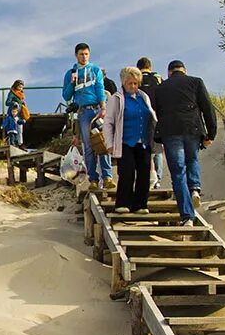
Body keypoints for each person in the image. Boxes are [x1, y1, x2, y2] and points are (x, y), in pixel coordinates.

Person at [151, 59, 217, 226]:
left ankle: (187, 216)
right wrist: (211, 133)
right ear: (184, 70)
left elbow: (155, 111)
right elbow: (207, 108)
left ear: (169, 73)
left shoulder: (160, 88)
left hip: (171, 131)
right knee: (192, 159)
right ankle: (195, 188)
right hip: (192, 128)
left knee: (178, 172)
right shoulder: (195, 82)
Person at [103, 67, 157, 216]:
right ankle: (123, 203)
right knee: (127, 172)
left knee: (144, 172)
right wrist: (109, 143)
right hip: (125, 141)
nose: (133, 86)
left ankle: (140, 204)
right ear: (124, 83)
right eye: (129, 83)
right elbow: (108, 122)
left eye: (135, 83)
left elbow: (151, 116)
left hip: (143, 141)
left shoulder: (143, 96)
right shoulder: (116, 98)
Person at [61, 43, 114, 190]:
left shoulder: (95, 70)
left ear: (89, 54)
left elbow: (100, 88)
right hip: (83, 112)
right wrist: (72, 82)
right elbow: (66, 95)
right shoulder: (70, 72)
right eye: (81, 54)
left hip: (96, 109)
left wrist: (103, 106)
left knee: (102, 142)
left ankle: (107, 176)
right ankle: (93, 179)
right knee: (89, 147)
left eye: (86, 54)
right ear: (76, 55)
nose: (83, 57)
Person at [136, 57, 166, 189]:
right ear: (150, 67)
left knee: (141, 148)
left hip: (139, 117)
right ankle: (157, 180)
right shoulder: (158, 79)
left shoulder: (136, 79)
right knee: (157, 149)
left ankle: (143, 177)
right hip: (156, 116)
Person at [5, 80, 28, 147]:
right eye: (19, 87)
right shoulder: (12, 93)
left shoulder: (21, 95)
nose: (21, 88)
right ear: (16, 86)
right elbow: (7, 103)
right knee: (12, 129)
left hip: (20, 113)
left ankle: (20, 143)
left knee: (20, 129)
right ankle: (12, 144)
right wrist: (13, 102)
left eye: (22, 87)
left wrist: (22, 103)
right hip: (13, 113)